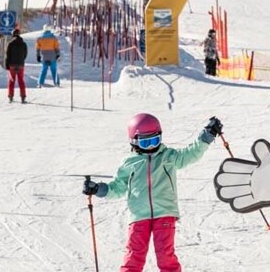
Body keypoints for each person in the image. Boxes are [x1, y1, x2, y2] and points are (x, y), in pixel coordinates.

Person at [82, 113, 222, 272]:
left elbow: (189, 155)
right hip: (138, 215)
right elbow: (118, 187)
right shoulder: (130, 163)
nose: (150, 147)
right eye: (145, 142)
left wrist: (206, 136)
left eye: (154, 141)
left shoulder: (168, 156)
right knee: (133, 255)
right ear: (134, 141)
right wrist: (98, 189)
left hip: (164, 212)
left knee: (165, 255)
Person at [4, 28, 29, 103]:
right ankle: (23, 96)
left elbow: (7, 55)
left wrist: (7, 64)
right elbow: (25, 54)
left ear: (13, 35)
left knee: (12, 80)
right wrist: (21, 60)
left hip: (12, 65)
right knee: (21, 80)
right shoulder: (23, 44)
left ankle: (11, 96)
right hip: (20, 64)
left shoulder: (10, 44)